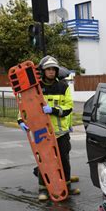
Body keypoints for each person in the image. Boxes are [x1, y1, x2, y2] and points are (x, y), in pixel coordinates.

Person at [18, 56, 80, 201]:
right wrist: (21, 119)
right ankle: (43, 190)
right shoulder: (36, 87)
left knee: (64, 161)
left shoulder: (63, 86)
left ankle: (67, 188)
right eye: (48, 69)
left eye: (53, 69)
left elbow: (68, 107)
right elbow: (25, 105)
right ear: (43, 71)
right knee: (44, 161)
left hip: (60, 132)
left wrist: (52, 109)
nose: (51, 72)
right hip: (42, 131)